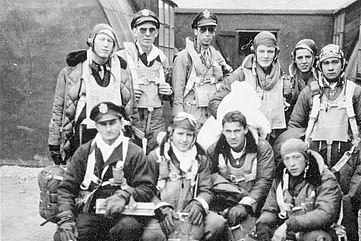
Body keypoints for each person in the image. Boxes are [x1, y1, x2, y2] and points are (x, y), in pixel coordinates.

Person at [277, 44, 361, 241]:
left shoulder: (356, 93)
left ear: (343, 64)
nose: (331, 67)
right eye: (326, 63)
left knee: (347, 206)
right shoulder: (309, 93)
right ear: (320, 66)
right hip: (315, 160)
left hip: (345, 160)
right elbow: (295, 125)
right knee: (313, 204)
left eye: (335, 62)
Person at [53, 102, 155, 241]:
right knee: (65, 240)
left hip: (125, 214)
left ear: (121, 123)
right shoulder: (85, 151)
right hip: (93, 213)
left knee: (128, 227)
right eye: (103, 124)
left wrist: (124, 195)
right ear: (96, 126)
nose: (108, 129)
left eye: (112, 123)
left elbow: (147, 188)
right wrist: (66, 219)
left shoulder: (134, 152)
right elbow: (66, 189)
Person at [256, 138, 342, 241]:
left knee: (315, 240)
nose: (292, 164)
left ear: (306, 157)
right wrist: (264, 223)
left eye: (296, 157)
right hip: (291, 232)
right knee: (253, 239)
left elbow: (326, 214)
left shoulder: (325, 178)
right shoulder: (282, 178)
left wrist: (290, 224)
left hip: (320, 233)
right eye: (287, 159)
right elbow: (270, 208)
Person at [142, 112, 227, 241]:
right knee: (151, 235)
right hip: (165, 215)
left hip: (189, 214)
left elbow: (206, 189)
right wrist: (161, 209)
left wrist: (199, 204)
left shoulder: (200, 159)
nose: (184, 139)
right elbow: (146, 189)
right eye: (180, 133)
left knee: (217, 222)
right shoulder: (156, 157)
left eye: (189, 134)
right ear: (171, 133)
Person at [48, 23, 138, 166]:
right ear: (92, 41)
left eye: (110, 41)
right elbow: (59, 109)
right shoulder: (72, 72)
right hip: (82, 137)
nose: (105, 45)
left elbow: (131, 110)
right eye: (101, 39)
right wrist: (54, 141)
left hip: (113, 134)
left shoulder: (122, 73)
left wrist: (135, 137)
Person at [208, 31, 291, 145]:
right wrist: (234, 125)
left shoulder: (282, 78)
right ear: (255, 52)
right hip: (247, 137)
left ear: (275, 53)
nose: (265, 56)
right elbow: (215, 102)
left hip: (275, 137)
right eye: (261, 51)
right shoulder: (240, 75)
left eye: (270, 51)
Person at [117, 9, 173, 154]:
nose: (147, 34)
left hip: (156, 116)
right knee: (131, 153)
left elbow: (168, 88)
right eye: (143, 30)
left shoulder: (162, 58)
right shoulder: (122, 57)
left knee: (157, 153)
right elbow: (112, 89)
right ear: (134, 32)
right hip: (133, 114)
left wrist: (167, 91)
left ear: (156, 33)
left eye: (151, 30)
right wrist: (128, 91)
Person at [207, 110, 274, 220]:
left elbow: (264, 181)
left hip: (255, 201)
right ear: (223, 131)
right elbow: (208, 179)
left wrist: (245, 205)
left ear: (246, 130)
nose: (233, 136)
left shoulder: (262, 148)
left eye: (237, 131)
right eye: (228, 131)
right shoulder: (214, 150)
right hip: (227, 199)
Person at [172, 10, 233, 128]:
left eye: (211, 30)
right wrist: (180, 121)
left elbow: (227, 81)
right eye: (203, 29)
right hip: (191, 113)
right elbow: (177, 97)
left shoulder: (217, 56)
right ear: (196, 31)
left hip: (211, 115)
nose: (207, 34)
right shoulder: (184, 57)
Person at [287, 39, 318, 119]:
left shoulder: (320, 80)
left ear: (313, 58)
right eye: (300, 58)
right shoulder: (289, 82)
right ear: (295, 60)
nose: (304, 61)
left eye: (308, 57)